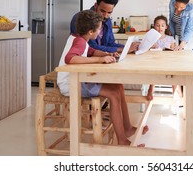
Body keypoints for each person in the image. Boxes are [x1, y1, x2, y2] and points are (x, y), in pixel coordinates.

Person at [58, 10, 148, 146]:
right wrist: (100, 59)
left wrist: (108, 54)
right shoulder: (80, 42)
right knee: (113, 94)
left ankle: (128, 128)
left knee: (118, 86)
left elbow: (91, 51)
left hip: (78, 80)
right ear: (90, 31)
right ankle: (122, 140)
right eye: (99, 29)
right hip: (71, 84)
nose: (100, 31)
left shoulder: (80, 39)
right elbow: (70, 58)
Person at [70, 0, 139, 54]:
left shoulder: (107, 20)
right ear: (96, 5)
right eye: (102, 11)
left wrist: (129, 47)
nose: (106, 16)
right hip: (82, 60)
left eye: (109, 12)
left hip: (99, 59)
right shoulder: (81, 19)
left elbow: (110, 44)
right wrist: (123, 49)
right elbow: (90, 47)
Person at [145, 15, 178, 100]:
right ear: (154, 26)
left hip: (168, 63)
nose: (160, 27)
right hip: (155, 63)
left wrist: (170, 49)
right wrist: (150, 47)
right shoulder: (151, 38)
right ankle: (150, 89)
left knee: (175, 71)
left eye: (162, 25)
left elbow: (173, 52)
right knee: (153, 70)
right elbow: (145, 50)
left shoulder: (170, 38)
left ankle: (175, 92)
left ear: (166, 26)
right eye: (157, 25)